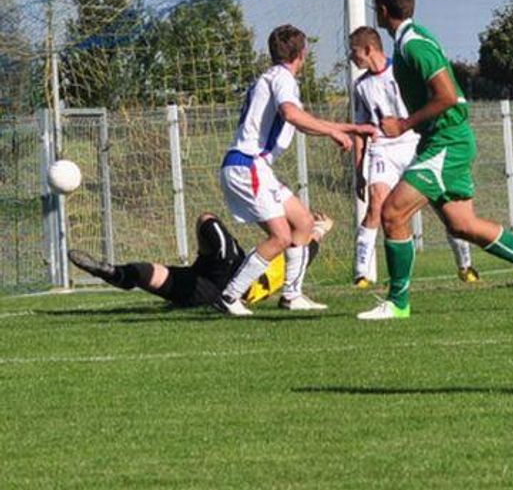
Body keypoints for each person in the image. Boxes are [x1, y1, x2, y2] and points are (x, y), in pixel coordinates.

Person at [358, 0, 513, 320]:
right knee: (463, 225)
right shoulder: (409, 40)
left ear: (381, 9)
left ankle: (398, 303)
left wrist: (403, 125)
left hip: (447, 141)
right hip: (442, 140)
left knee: (392, 213)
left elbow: (448, 95)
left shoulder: (413, 45)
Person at [214, 24, 376, 316]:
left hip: (254, 165)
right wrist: (337, 132)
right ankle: (229, 296)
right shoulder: (283, 79)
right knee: (280, 237)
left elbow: (301, 118)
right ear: (302, 54)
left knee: (302, 222)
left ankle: (292, 295)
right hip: (247, 165)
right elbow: (292, 115)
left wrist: (348, 129)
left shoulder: (274, 77)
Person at [348, 25, 480, 287]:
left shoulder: (402, 70)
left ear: (368, 49)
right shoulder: (360, 86)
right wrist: (359, 170)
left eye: (354, 53)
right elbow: (360, 131)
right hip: (382, 148)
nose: (352, 59)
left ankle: (465, 265)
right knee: (377, 205)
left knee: (445, 208)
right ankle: (361, 273)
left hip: (413, 142)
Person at [67, 212, 333, 308]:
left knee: (208, 220)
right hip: (208, 290)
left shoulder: (292, 256)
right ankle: (117, 274)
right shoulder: (293, 260)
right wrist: (321, 229)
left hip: (233, 280)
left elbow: (307, 245)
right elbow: (310, 244)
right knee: (158, 276)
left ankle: (117, 273)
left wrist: (319, 229)